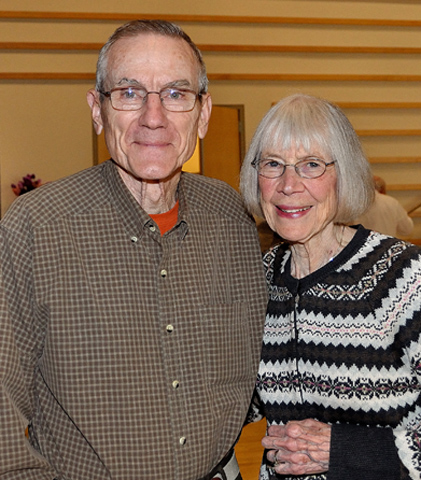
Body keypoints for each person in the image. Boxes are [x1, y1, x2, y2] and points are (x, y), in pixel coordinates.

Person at [0, 20, 267, 479]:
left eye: (176, 94)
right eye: (128, 92)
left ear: (203, 114)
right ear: (97, 109)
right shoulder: (35, 227)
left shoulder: (231, 218)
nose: (153, 116)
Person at [240, 93, 421, 480]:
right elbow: (240, 399)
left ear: (345, 174)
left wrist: (346, 450)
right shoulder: (260, 278)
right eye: (273, 164)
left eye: (311, 165)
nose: (289, 185)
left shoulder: (402, 276)